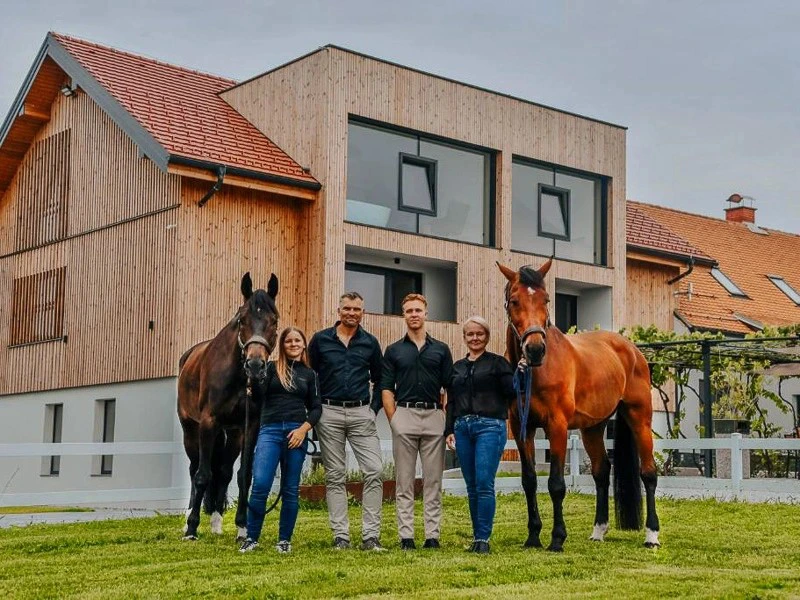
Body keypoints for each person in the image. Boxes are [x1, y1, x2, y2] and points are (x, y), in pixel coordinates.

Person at [308, 292, 385, 551]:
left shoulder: (370, 343)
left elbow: (380, 378)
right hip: (329, 412)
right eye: (347, 308)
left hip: (361, 412)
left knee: (374, 471)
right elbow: (311, 376)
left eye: (357, 309)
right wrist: (315, 409)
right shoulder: (320, 340)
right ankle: (341, 536)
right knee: (335, 475)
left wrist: (373, 410)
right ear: (338, 310)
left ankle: (370, 537)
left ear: (362, 312)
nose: (352, 313)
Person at [239, 327, 321, 554]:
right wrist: (253, 381)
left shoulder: (310, 375)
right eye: (289, 341)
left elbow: (316, 409)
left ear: (304, 345)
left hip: (296, 433)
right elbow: (257, 398)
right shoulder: (272, 369)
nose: (293, 344)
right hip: (270, 431)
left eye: (297, 340)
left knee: (290, 489)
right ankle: (252, 537)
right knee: (261, 485)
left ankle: (284, 539)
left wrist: (303, 430)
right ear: (282, 346)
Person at [381, 293, 453, 550]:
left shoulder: (441, 350)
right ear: (404, 315)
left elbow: (449, 387)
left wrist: (446, 419)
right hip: (405, 416)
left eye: (418, 310)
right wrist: (395, 420)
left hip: (434, 416)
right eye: (409, 310)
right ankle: (406, 536)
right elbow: (386, 388)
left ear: (426, 313)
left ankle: (432, 535)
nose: (414, 314)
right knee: (404, 481)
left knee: (433, 481)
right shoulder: (393, 351)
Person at [445, 316, 515, 554]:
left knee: (484, 483)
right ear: (464, 338)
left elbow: (512, 392)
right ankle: (476, 538)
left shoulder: (498, 364)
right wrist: (449, 430)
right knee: (472, 485)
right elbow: (451, 402)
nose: (475, 338)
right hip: (463, 427)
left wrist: (520, 372)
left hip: (490, 426)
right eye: (470, 334)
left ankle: (484, 539)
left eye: (479, 334)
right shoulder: (457, 367)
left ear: (487, 336)